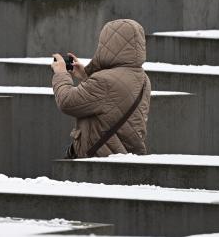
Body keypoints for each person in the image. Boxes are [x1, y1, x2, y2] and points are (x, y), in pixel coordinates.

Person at [51, 19, 151, 158]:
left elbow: (67, 102)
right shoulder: (143, 78)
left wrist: (61, 73)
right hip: (126, 156)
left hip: (100, 158)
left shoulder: (104, 81)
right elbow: (110, 103)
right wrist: (86, 75)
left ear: (108, 43)